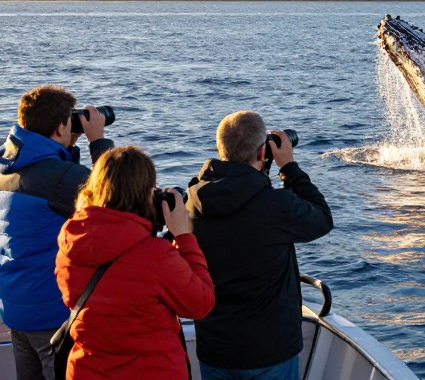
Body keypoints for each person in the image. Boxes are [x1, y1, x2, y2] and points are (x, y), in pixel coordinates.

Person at [187, 111, 334, 380]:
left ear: (221, 148)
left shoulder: (194, 202)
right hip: (270, 351)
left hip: (216, 348)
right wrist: (289, 166)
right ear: (262, 152)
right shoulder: (277, 206)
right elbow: (322, 219)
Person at [55, 145, 215, 379]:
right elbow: (201, 303)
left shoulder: (71, 240)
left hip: (88, 370)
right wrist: (183, 236)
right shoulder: (156, 256)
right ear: (144, 194)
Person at [0, 85, 115, 380]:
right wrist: (97, 141)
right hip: (52, 314)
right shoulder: (61, 178)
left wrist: (65, 145)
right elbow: (118, 203)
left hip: (16, 310)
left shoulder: (7, 168)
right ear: (60, 125)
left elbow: (55, 194)